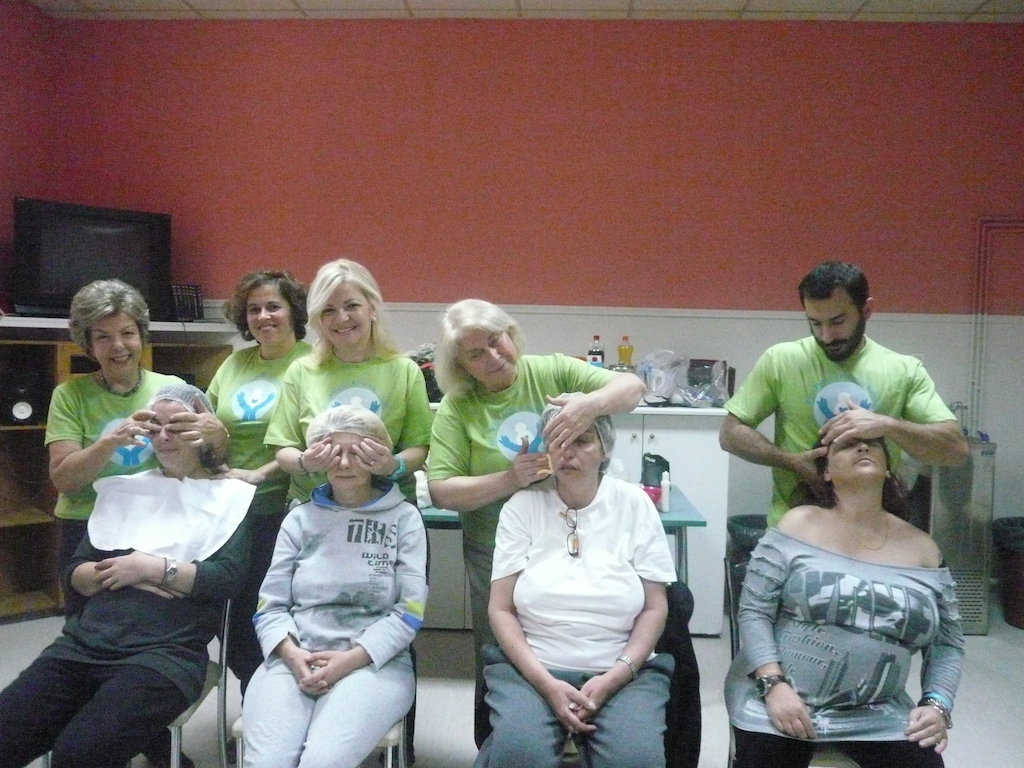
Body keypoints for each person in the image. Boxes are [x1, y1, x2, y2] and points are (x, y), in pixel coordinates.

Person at [427, 299, 647, 747]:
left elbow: (632, 387)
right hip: (496, 554)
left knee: (577, 644)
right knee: (500, 656)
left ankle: (585, 734)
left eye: (497, 341)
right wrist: (510, 479)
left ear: (511, 334)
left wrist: (588, 406)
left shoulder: (550, 371)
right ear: (460, 365)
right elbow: (442, 491)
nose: (493, 357)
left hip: (578, 543)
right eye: (475, 354)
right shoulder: (458, 406)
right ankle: (498, 745)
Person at [0, 385, 253, 768]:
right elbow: (75, 572)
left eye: (177, 426)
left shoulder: (230, 499)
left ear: (203, 429)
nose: (164, 437)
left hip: (164, 656)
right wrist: (125, 571)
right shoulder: (128, 491)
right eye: (155, 427)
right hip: (82, 646)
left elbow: (226, 579)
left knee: (77, 755)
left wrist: (150, 568)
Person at [725, 435, 965, 768]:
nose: (863, 448)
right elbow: (754, 611)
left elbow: (948, 643)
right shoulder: (797, 524)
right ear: (825, 471)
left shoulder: (924, 548)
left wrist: (937, 704)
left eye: (873, 444)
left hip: (878, 713)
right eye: (847, 445)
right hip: (781, 700)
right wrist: (773, 684)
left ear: (888, 468)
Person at [476, 397, 676, 768]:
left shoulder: (634, 505)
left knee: (635, 761)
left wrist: (615, 677)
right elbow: (500, 609)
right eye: (558, 441)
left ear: (605, 449)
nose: (568, 452)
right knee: (520, 756)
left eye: (582, 441)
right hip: (533, 668)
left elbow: (655, 607)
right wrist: (545, 683)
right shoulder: (522, 507)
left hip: (621, 669)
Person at [242, 405, 427, 768]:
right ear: (316, 455)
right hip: (294, 658)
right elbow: (269, 606)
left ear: (378, 454)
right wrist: (292, 656)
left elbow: (409, 612)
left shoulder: (404, 519)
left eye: (357, 452)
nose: (344, 463)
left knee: (323, 761)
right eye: (332, 452)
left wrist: (348, 661)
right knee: (267, 762)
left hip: (373, 663)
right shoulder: (299, 519)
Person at [719, 261, 968, 527]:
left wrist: (887, 425)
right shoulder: (781, 360)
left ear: (866, 310)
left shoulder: (903, 370)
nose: (826, 336)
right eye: (815, 323)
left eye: (838, 322)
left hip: (874, 534)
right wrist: (791, 462)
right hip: (795, 533)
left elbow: (955, 451)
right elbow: (730, 434)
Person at [46, 279, 228, 577]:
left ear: (142, 336)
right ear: (89, 345)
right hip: (86, 525)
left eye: (127, 333)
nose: (118, 346)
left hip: (158, 519)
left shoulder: (173, 389)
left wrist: (218, 437)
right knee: (90, 604)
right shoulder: (69, 395)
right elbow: (64, 480)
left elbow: (210, 461)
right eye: (103, 337)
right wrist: (110, 442)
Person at [206, 269, 312, 695]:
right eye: (253, 309)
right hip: (229, 507)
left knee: (266, 610)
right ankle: (254, 692)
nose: (263, 317)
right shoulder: (235, 363)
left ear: (294, 312)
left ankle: (269, 698)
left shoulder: (312, 363)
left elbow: (308, 442)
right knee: (228, 616)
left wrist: (259, 474)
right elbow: (210, 423)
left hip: (281, 508)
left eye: (273, 307)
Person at [265, 259, 431, 507]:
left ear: (371, 309)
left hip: (389, 508)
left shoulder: (404, 370)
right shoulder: (300, 372)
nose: (341, 318)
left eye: (352, 305)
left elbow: (419, 447)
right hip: (313, 507)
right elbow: (283, 448)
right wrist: (305, 462)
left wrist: (392, 465)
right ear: (318, 318)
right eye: (328, 310)